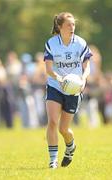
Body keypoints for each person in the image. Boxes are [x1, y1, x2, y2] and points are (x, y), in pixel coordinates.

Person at [44, 12, 92, 169]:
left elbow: (87, 66)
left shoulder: (80, 43)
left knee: (63, 129)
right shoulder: (51, 43)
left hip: (73, 89)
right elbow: (49, 69)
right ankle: (53, 160)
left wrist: (83, 79)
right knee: (52, 121)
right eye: (69, 25)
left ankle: (70, 147)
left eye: (73, 24)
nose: (72, 27)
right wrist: (60, 79)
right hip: (55, 85)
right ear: (60, 27)